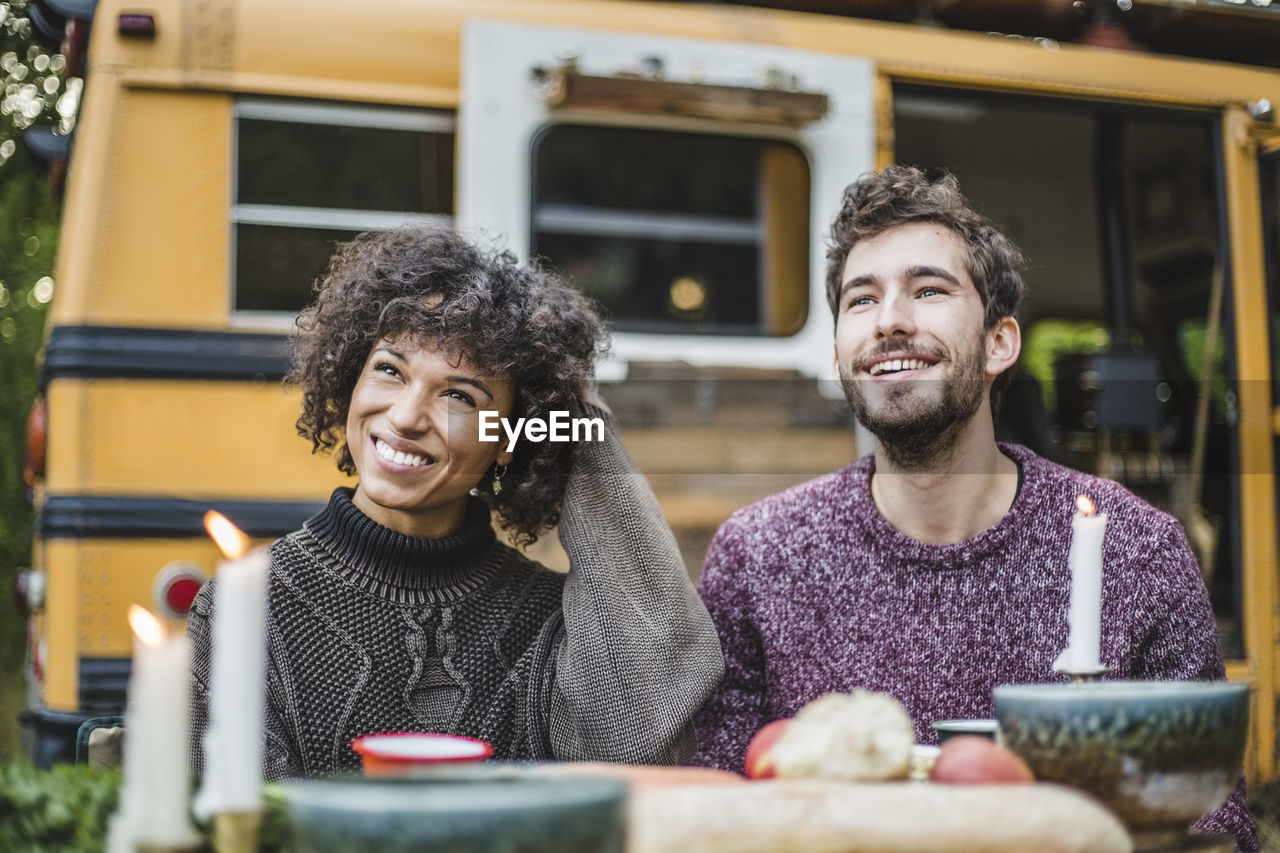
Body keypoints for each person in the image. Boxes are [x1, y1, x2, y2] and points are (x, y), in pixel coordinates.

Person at [690, 165, 1256, 848]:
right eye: (860, 300)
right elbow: (713, 813)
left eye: (929, 289)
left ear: (999, 342)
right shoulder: (757, 556)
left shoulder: (1138, 550)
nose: (891, 321)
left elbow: (1216, 823)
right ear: (839, 351)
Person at [188, 224, 723, 778]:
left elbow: (639, 741)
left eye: (459, 397)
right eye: (390, 371)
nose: (405, 417)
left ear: (510, 439)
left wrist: (581, 426)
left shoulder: (549, 624)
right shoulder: (246, 609)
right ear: (350, 378)